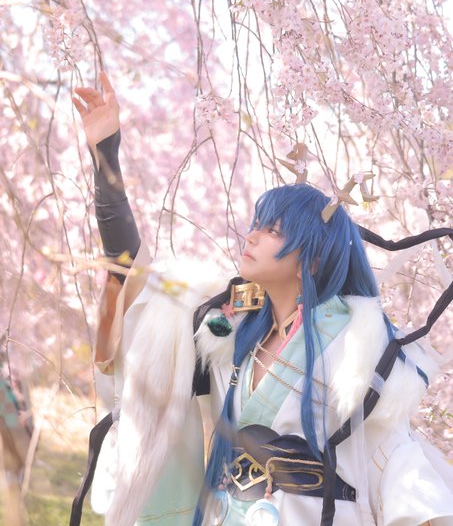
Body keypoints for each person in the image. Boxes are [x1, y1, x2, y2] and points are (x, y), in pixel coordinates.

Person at [72, 73, 453, 526]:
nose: (251, 236)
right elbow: (138, 286)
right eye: (256, 224)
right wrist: (106, 156)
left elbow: (392, 452)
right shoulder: (229, 330)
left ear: (311, 259)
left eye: (272, 230)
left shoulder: (354, 346)